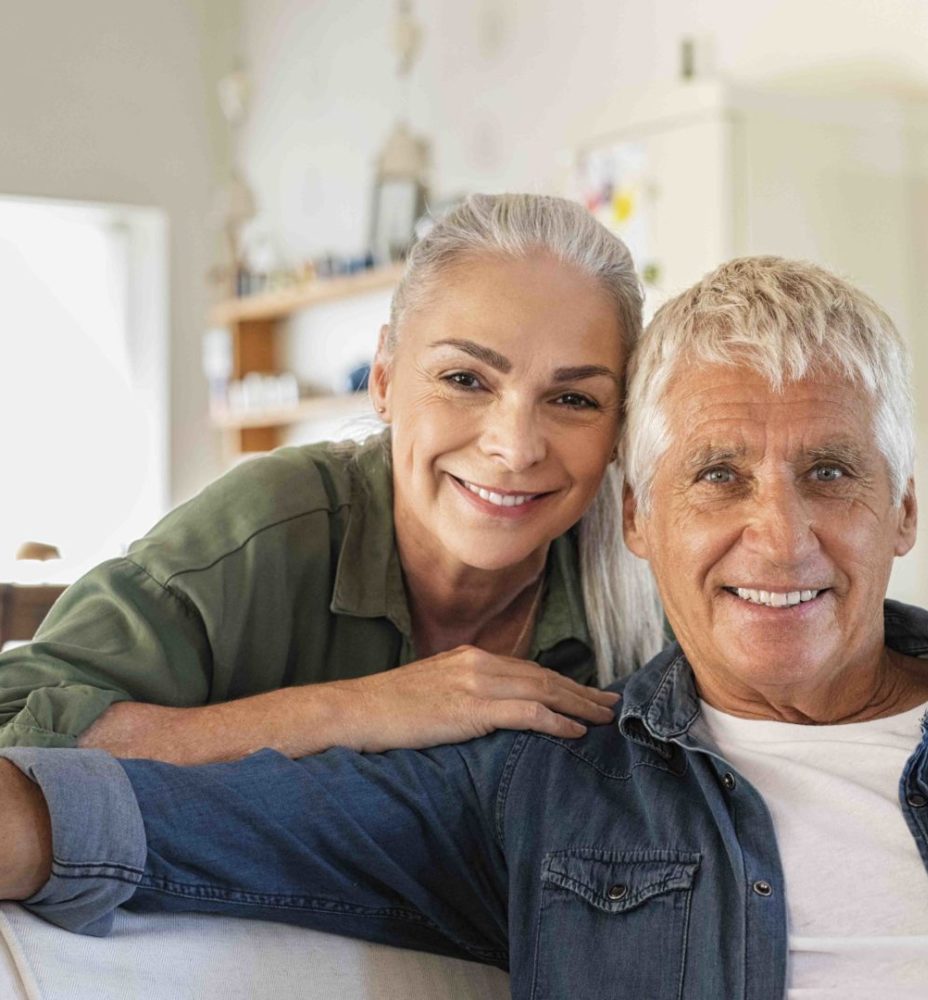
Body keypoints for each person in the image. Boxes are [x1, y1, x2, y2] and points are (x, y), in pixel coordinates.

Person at [1, 256, 928, 998]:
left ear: (903, 509)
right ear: (638, 517)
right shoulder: (545, 783)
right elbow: (127, 823)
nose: (779, 540)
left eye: (829, 471)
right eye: (716, 475)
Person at [0, 193, 664, 762]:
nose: (516, 448)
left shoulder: (649, 582)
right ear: (383, 378)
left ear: (619, 428)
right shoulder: (268, 528)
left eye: (574, 399)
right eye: (465, 380)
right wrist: (351, 711)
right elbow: (14, 726)